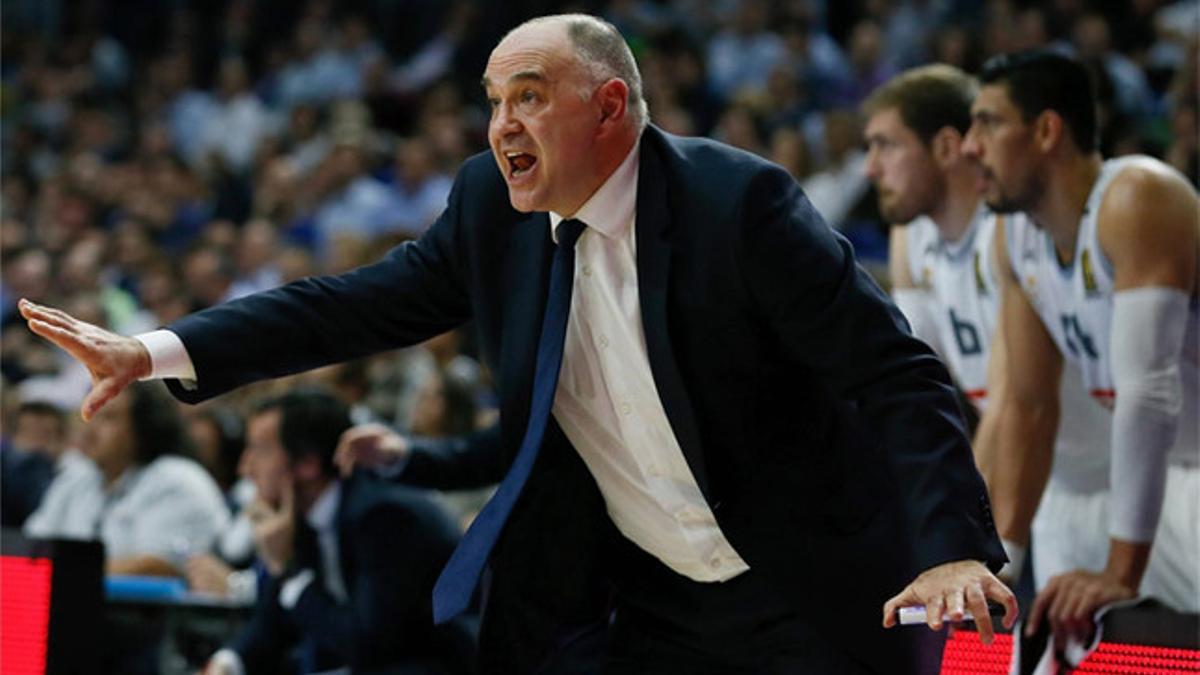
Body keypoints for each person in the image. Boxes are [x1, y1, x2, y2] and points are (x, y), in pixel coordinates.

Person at [20, 14, 1015, 673]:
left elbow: (897, 378)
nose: (500, 126)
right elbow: (348, 305)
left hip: (809, 590)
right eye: (493, 100)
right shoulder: (490, 213)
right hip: (644, 605)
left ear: (610, 107)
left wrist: (955, 551)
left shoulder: (737, 206)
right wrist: (153, 351)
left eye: (529, 96)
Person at [961, 50, 1199, 642]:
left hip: (1180, 458)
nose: (970, 145)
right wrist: (999, 565)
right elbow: (1027, 406)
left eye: (988, 122)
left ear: (1046, 130)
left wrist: (1122, 570)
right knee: (1057, 625)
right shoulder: (1015, 233)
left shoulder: (1138, 195)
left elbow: (1150, 391)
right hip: (1169, 468)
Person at [863, 64, 1113, 585]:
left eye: (886, 146)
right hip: (1051, 483)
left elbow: (1011, 409)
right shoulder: (912, 240)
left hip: (1111, 467)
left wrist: (959, 537)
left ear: (949, 147)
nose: (871, 168)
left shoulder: (1013, 228)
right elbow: (913, 389)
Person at [203, 389, 473, 675]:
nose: (246, 468)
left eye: (260, 450)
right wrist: (226, 663)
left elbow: (369, 645)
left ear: (307, 463)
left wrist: (287, 570)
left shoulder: (383, 516)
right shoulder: (302, 516)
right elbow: (271, 626)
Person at [24, 382, 229, 576]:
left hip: (148, 611)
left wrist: (61, 571)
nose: (90, 429)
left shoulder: (177, 479)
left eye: (108, 417)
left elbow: (158, 566)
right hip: (73, 605)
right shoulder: (76, 477)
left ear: (143, 427)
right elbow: (30, 545)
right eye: (88, 415)